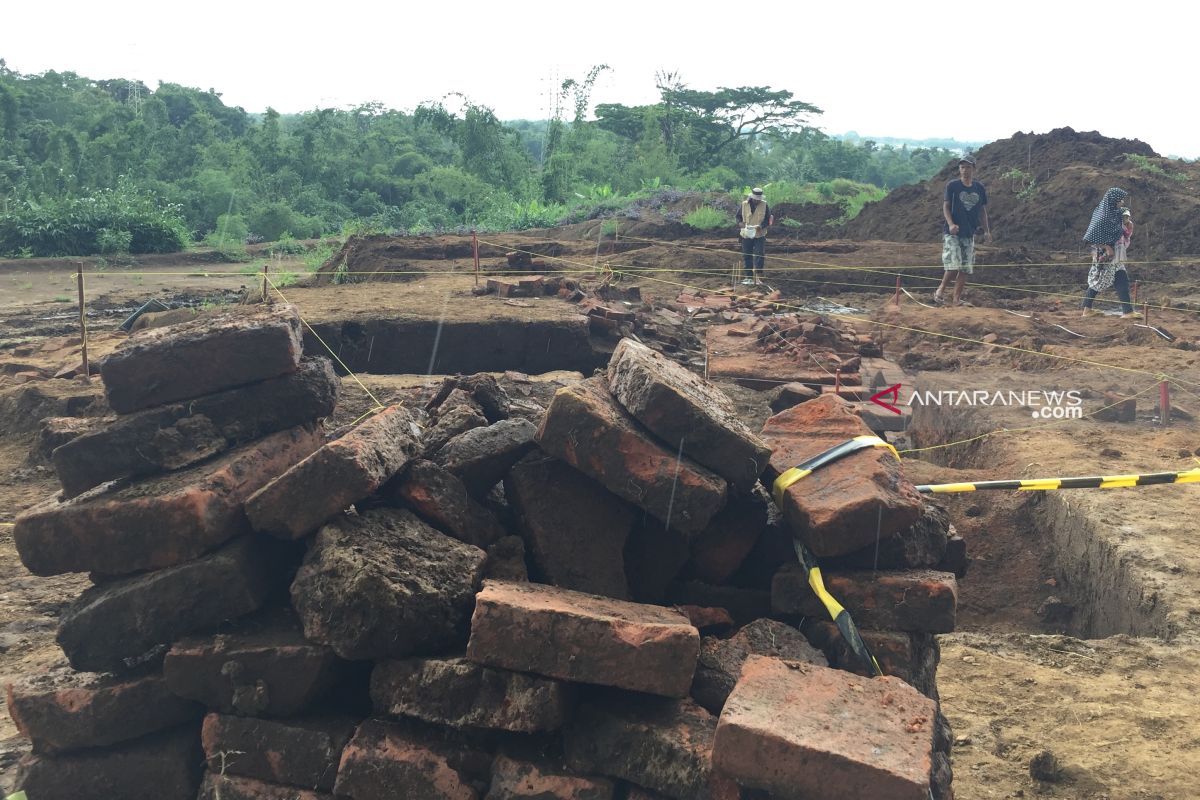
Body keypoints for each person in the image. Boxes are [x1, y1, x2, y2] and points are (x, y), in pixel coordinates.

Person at [934, 156, 992, 306]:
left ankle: (956, 300)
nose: (965, 170)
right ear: (959, 169)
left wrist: (987, 231)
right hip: (952, 232)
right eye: (962, 167)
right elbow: (946, 206)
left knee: (965, 268)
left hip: (969, 232)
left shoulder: (979, 188)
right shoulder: (952, 186)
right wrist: (951, 224)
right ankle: (940, 291)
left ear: (974, 168)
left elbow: (982, 211)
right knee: (953, 265)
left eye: (968, 167)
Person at [1081, 187, 1138, 318]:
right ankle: (1087, 309)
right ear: (1113, 200)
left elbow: (1123, 225)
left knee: (1121, 277)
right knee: (1099, 280)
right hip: (1105, 255)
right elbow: (1092, 235)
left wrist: (1127, 224)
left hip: (1116, 253)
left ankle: (1128, 311)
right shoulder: (1103, 215)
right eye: (1120, 200)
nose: (1122, 202)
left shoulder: (1114, 213)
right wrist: (1106, 247)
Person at [736, 187, 772, 285]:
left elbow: (768, 219)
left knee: (759, 254)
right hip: (746, 233)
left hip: (759, 234)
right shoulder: (744, 205)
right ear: (752, 197)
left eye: (759, 199)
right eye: (756, 199)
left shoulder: (764, 205)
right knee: (747, 255)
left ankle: (758, 277)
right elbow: (738, 217)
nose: (757, 200)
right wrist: (740, 223)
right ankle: (749, 277)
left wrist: (762, 226)